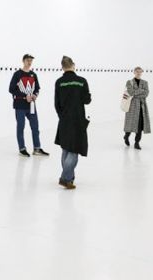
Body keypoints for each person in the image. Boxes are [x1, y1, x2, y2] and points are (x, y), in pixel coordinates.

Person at [54, 56, 91, 190]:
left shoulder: (59, 82)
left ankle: (69, 178)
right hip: (78, 119)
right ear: (73, 65)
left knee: (66, 148)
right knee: (74, 150)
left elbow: (57, 104)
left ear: (62, 67)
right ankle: (65, 178)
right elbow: (87, 100)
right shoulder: (82, 81)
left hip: (64, 120)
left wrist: (62, 116)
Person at [9, 54, 50, 157]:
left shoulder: (33, 74)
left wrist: (35, 95)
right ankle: (22, 149)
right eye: (28, 60)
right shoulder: (17, 74)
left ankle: (37, 148)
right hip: (20, 105)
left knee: (35, 127)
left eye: (31, 60)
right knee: (21, 127)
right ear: (23, 61)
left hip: (31, 105)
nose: (29, 62)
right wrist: (24, 96)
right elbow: (11, 89)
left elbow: (37, 88)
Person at [123, 67, 151, 150]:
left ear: (141, 72)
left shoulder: (145, 82)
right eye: (137, 71)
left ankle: (137, 143)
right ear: (134, 72)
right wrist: (141, 90)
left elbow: (146, 94)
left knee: (140, 126)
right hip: (131, 107)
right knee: (130, 124)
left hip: (142, 107)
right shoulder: (129, 82)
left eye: (140, 72)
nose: (138, 73)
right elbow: (131, 92)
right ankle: (126, 136)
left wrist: (136, 92)